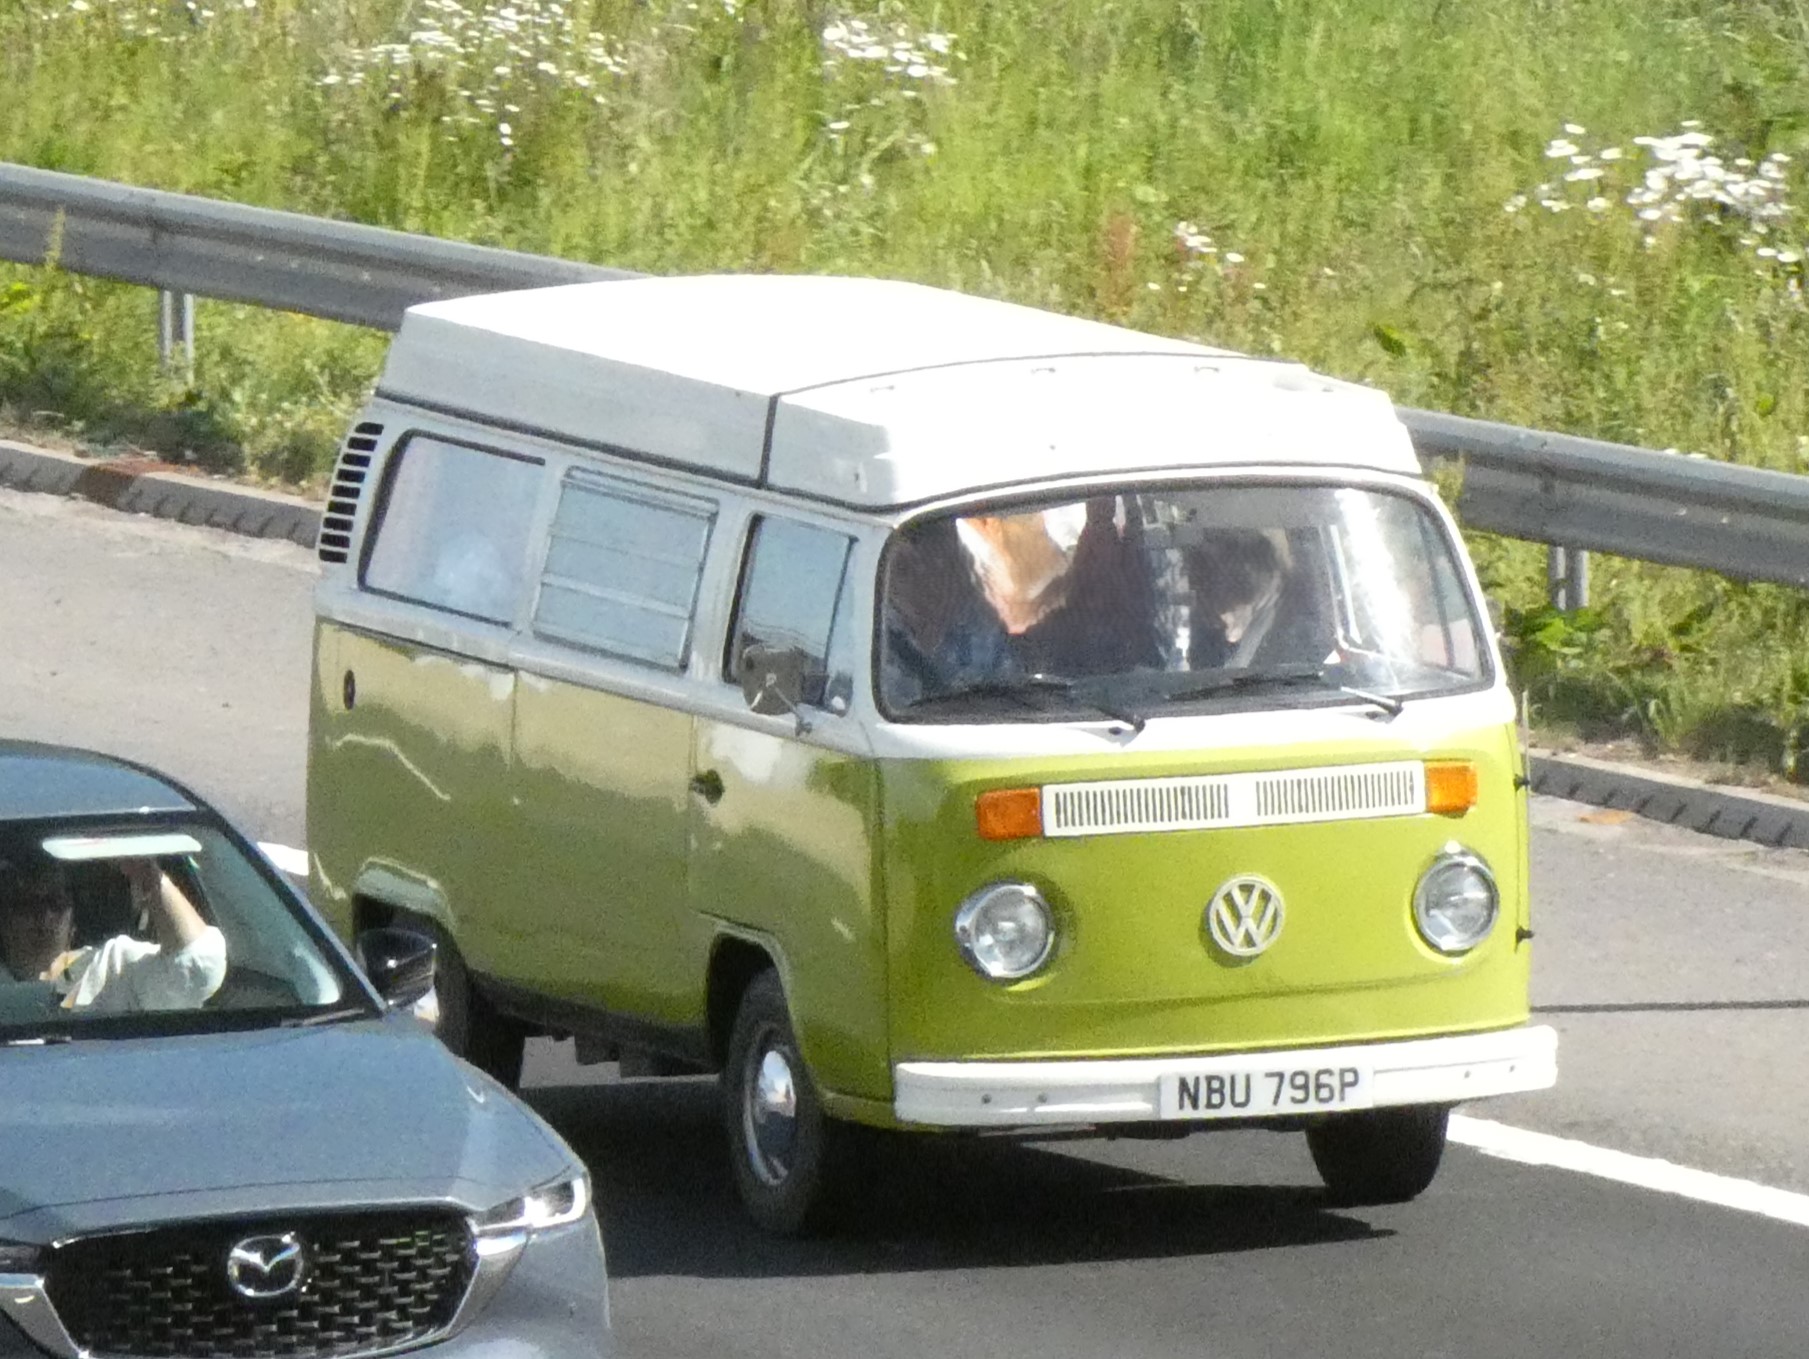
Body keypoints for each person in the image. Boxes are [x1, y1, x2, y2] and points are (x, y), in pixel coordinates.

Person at [0, 855, 227, 1013]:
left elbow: (198, 968)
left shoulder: (108, 967)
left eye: (56, 903)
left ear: (72, 924)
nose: (44, 916)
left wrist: (146, 871)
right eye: (25, 905)